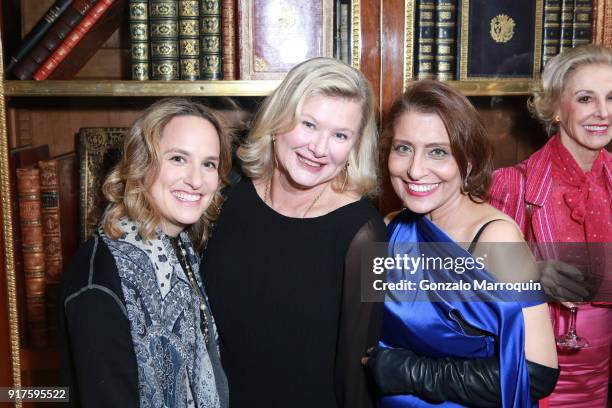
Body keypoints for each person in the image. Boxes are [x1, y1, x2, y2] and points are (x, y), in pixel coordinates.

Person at [201, 57, 387, 408]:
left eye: (340, 135)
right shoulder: (228, 194)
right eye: (309, 124)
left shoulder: (366, 233)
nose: (319, 149)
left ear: (353, 147)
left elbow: (358, 374)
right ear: (277, 122)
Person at [363, 80, 559, 407]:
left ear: (467, 160)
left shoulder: (497, 237)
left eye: (437, 152)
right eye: (403, 148)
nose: (415, 170)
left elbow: (538, 373)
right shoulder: (388, 229)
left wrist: (412, 373)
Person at [59, 98, 231, 407]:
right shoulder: (100, 278)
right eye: (178, 158)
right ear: (141, 163)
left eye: (209, 163)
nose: (196, 179)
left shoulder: (181, 249)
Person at [489, 44, 612, 407]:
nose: (603, 112)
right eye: (586, 98)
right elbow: (468, 275)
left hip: (602, 373)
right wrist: (531, 273)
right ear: (557, 107)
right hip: (535, 370)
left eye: (611, 97)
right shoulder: (513, 183)